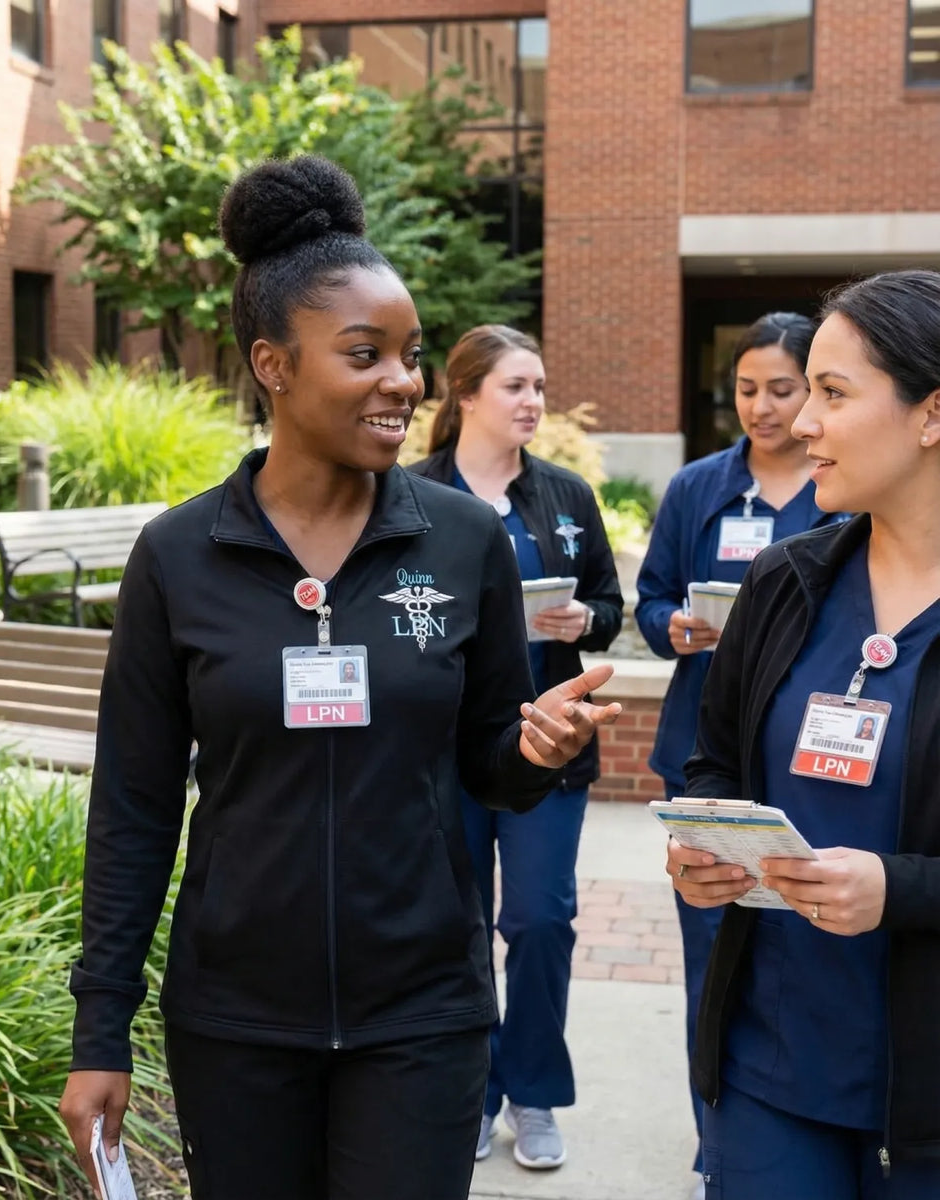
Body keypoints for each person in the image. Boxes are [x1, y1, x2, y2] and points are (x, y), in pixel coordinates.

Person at [57, 155, 623, 1200]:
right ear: (273, 364)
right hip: (234, 1019)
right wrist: (102, 1032)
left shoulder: (460, 542)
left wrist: (532, 750)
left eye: (408, 356)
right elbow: (132, 806)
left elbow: (488, 766)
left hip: (423, 1012)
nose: (403, 382)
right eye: (365, 355)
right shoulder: (180, 556)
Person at [668, 269, 940, 1198]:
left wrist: (896, 890)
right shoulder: (786, 582)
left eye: (832, 393)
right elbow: (715, 768)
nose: (801, 422)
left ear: (931, 414)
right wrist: (704, 848)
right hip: (771, 1073)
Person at [635, 311, 846, 1189]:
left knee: (814, 965)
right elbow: (649, 602)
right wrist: (673, 626)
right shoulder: (697, 488)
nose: (764, 407)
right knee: (714, 964)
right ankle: (719, 1136)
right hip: (711, 749)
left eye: (786, 389)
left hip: (813, 762)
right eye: (746, 389)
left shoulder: (842, 494)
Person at [410, 325, 623, 1170]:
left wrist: (586, 620)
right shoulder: (410, 494)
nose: (534, 401)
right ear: (465, 396)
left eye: (539, 386)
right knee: (456, 926)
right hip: (448, 753)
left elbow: (608, 600)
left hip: (549, 750)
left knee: (540, 921)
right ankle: (472, 1093)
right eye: (516, 387)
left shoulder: (566, 496)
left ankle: (532, 1092)